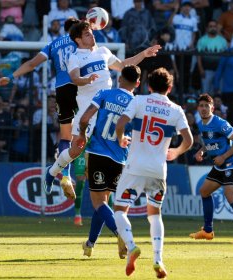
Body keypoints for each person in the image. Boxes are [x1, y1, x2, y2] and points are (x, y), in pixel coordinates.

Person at [44, 21, 161, 198]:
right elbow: (75, 78)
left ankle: (113, 194)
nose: (92, 35)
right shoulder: (74, 57)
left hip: (106, 109)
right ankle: (51, 173)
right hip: (88, 110)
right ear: (78, 39)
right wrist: (87, 80)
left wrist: (144, 54)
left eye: (91, 32)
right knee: (75, 150)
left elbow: (123, 65)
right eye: (87, 34)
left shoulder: (103, 51)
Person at [113, 68, 193, 278]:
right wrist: (176, 151)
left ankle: (131, 246)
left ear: (148, 85)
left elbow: (120, 123)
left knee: (120, 210)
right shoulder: (176, 110)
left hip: (135, 167)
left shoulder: (139, 101)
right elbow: (189, 140)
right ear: (169, 87)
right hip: (158, 170)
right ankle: (158, 259)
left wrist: (121, 138)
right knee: (154, 215)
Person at [0, 18, 80, 197]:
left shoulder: (54, 44)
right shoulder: (84, 42)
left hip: (62, 91)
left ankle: (62, 173)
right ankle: (59, 170)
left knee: (66, 137)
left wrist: (11, 77)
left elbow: (32, 64)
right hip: (81, 92)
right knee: (82, 136)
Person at [76, 64, 141, 258]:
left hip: (98, 153)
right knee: (105, 203)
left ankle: (121, 234)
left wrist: (81, 134)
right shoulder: (136, 103)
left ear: (119, 79)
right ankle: (90, 244)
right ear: (137, 83)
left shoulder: (104, 94)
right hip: (121, 158)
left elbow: (85, 118)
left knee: (98, 203)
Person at [189, 93, 233, 244]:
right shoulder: (201, 123)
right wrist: (202, 150)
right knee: (204, 191)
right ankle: (208, 231)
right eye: (201, 106)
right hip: (220, 165)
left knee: (230, 196)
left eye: (206, 106)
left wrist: (223, 156)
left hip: (232, 163)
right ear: (198, 108)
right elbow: (209, 141)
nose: (203, 109)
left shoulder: (219, 123)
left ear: (212, 107)